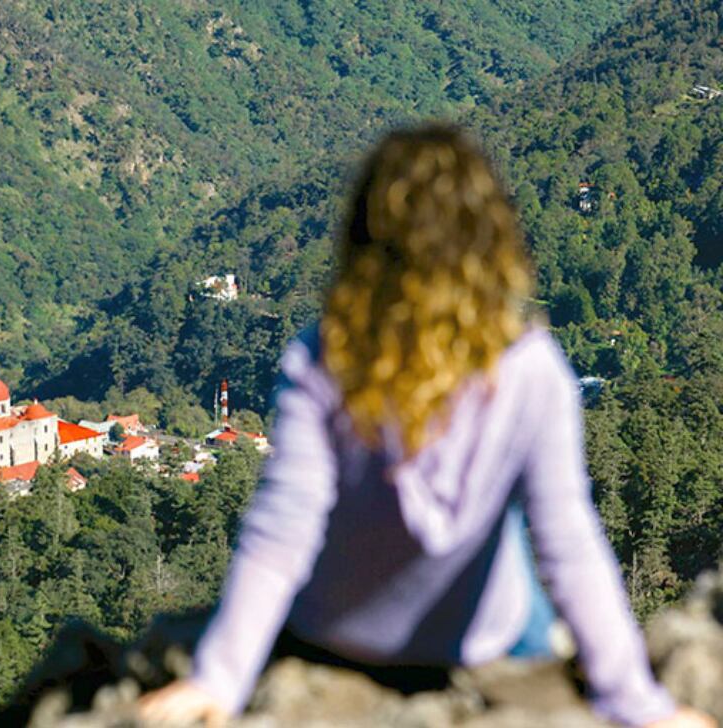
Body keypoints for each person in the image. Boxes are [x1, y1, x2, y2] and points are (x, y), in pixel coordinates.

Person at [138, 125, 714, 728]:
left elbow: (283, 531)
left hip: (340, 633)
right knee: (516, 524)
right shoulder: (530, 368)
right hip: (477, 639)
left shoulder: (323, 359)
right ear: (491, 239)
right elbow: (569, 543)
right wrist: (640, 707)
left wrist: (218, 680)